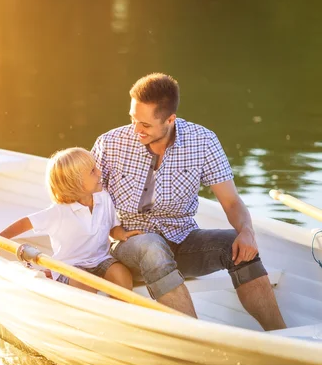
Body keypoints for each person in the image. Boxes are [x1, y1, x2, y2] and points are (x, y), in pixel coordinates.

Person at [91, 73, 286, 330]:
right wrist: (110, 232)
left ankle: (283, 337)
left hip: (182, 240)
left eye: (145, 125)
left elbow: (231, 202)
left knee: (237, 246)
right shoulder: (110, 143)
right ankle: (198, 340)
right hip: (128, 248)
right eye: (133, 119)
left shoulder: (203, 141)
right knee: (152, 246)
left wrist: (246, 232)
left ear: (170, 119)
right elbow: (84, 201)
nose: (136, 130)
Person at [0, 147, 141, 294]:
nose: (99, 172)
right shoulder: (59, 212)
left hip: (100, 260)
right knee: (86, 287)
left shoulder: (104, 198)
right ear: (75, 183)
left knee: (122, 275)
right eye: (92, 171)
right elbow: (24, 223)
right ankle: (56, 279)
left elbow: (112, 228)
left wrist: (122, 234)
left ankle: (121, 311)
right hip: (69, 266)